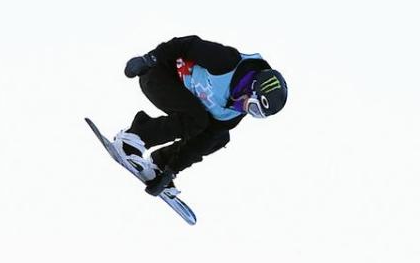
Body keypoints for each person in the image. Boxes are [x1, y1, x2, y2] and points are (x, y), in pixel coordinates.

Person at [111, 36, 288, 197]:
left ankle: (159, 164)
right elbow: (187, 45)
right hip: (160, 74)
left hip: (185, 102)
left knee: (218, 136)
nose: (246, 110)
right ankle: (132, 139)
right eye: (253, 106)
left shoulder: (234, 113)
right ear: (251, 87)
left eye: (255, 113)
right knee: (196, 119)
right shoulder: (227, 63)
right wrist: (149, 59)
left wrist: (171, 170)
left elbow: (203, 141)